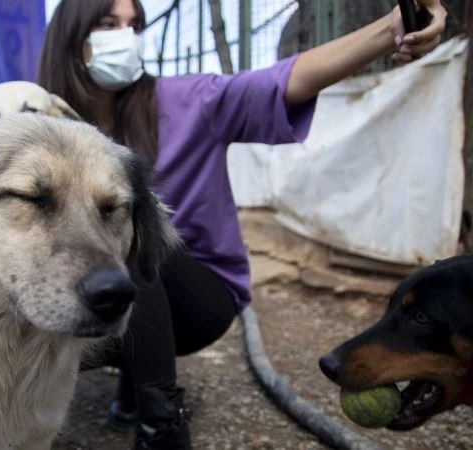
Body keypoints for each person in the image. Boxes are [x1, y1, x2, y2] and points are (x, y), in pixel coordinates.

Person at [37, 0, 447, 448]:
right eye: (107, 24)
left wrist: (391, 28)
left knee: (128, 226)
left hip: (198, 299)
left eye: (134, 25)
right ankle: (123, 389)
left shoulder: (188, 100)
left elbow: (283, 80)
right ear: (71, 36)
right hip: (86, 296)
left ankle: (163, 429)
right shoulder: (43, 123)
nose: (125, 37)